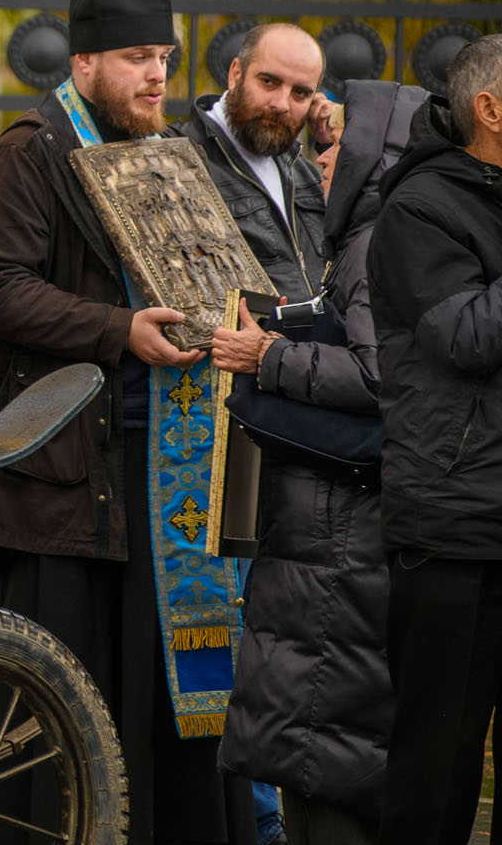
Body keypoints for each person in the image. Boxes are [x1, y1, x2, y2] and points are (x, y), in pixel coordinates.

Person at [0, 0, 255, 845]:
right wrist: (118, 329)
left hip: (164, 486)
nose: (157, 75)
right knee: (59, 713)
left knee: (162, 702)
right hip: (64, 480)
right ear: (84, 62)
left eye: (163, 56)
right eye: (135, 57)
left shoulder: (166, 154)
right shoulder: (29, 152)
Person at [216, 79, 425, 845]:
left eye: (336, 144)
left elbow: (379, 379)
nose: (321, 161)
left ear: (382, 154)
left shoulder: (375, 244)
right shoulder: (372, 238)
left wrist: (268, 355)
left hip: (343, 539)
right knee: (314, 742)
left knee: (324, 747)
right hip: (333, 538)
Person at [365, 34, 502, 845]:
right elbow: (467, 337)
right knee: (437, 767)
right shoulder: (421, 209)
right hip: (456, 527)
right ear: (490, 109)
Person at [168, 22, 329, 304]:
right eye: (269, 82)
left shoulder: (309, 175)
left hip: (316, 347)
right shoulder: (180, 165)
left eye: (300, 93)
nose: (281, 104)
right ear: (235, 74)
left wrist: (334, 142)